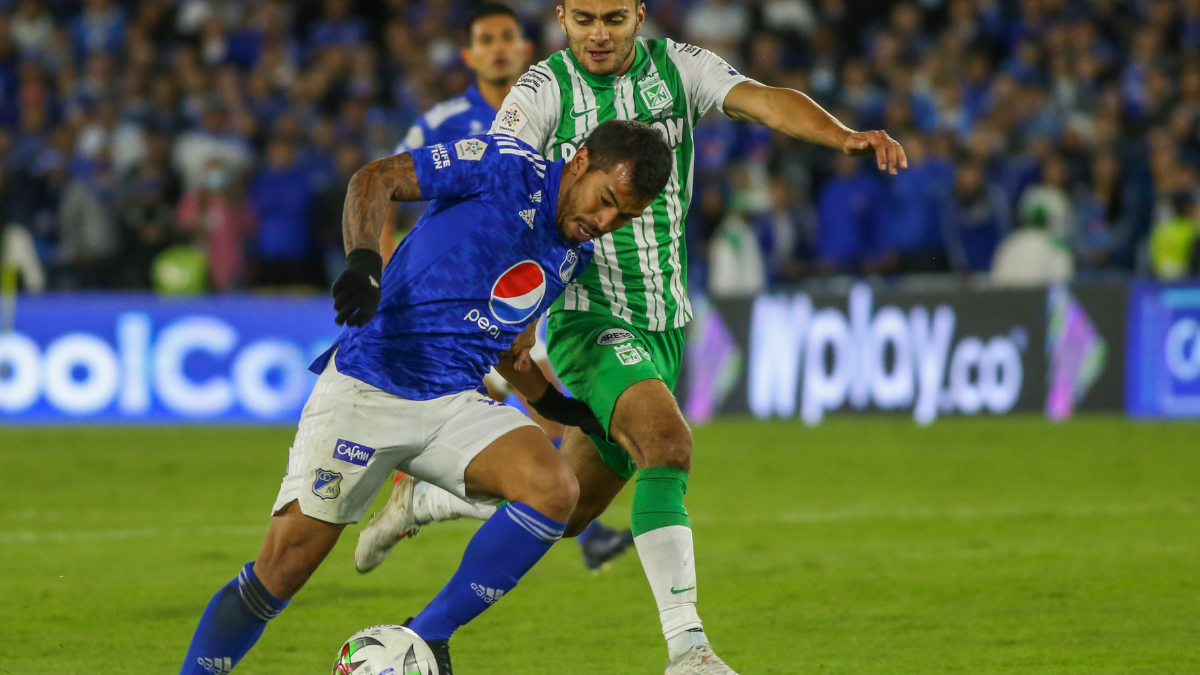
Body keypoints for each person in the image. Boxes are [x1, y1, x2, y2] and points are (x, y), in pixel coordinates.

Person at [356, 0, 906, 672]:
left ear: (639, 15)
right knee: (667, 443)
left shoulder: (680, 68)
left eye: (613, 18)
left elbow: (765, 101)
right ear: (561, 16)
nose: (598, 33)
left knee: (569, 509)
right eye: (584, 18)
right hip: (588, 316)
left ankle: (428, 504)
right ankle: (689, 652)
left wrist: (842, 136)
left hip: (665, 321)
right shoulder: (543, 89)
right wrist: (508, 301)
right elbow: (503, 189)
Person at [177, 119, 673, 675]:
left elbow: (504, 338)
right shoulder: (503, 165)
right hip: (369, 387)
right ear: (580, 161)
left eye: (623, 217)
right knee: (279, 573)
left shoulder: (571, 254)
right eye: (606, 200)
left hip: (452, 401)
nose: (605, 222)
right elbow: (375, 178)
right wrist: (364, 262)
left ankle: (427, 636)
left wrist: (557, 406)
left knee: (554, 489)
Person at [368, 0, 636, 571]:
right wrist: (384, 271)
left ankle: (424, 498)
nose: (497, 48)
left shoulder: (554, 115)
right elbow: (390, 186)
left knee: (539, 419)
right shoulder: (442, 122)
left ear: (524, 48)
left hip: (518, 295)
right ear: (468, 55)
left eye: (506, 37)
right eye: (485, 40)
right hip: (448, 297)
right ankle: (414, 495)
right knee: (488, 419)